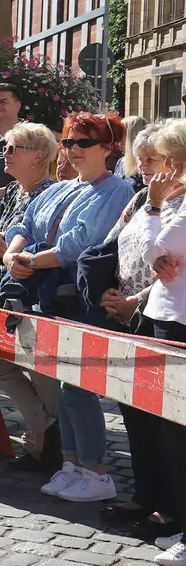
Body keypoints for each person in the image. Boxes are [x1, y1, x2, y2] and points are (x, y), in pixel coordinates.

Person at [2, 112, 134, 504]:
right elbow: (25, 221)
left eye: (83, 143)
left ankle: (95, 469)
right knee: (64, 382)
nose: (73, 149)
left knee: (80, 386)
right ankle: (72, 462)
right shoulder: (61, 188)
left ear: (108, 148)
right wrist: (13, 253)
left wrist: (30, 261)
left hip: (80, 297)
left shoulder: (116, 191)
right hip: (47, 293)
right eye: (69, 142)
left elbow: (83, 243)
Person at [94, 121, 177, 540]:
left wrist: (134, 301)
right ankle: (146, 492)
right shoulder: (143, 197)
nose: (143, 168)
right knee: (132, 409)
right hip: (122, 312)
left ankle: (169, 503)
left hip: (150, 312)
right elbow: (116, 244)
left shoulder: (171, 205)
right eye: (140, 159)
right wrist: (110, 290)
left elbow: (166, 265)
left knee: (164, 418)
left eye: (153, 160)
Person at [0, 123, 60, 469]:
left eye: (14, 148)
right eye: (6, 147)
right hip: (1, 288)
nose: (5, 154)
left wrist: (9, 252)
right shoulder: (13, 190)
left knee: (40, 368)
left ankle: (47, 444)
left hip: (32, 290)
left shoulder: (52, 193)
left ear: (38, 156)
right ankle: (48, 432)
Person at [137, 120, 186, 563]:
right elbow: (154, 256)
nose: (164, 169)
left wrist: (153, 207)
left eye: (171, 160)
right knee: (171, 427)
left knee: (179, 429)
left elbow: (156, 248)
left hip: (179, 320)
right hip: (167, 314)